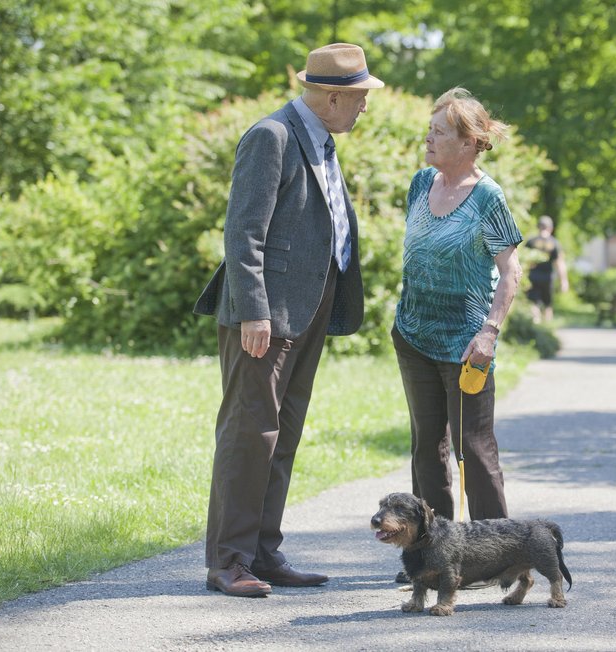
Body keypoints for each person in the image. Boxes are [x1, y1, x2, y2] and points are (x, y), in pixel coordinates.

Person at [192, 43, 383, 597]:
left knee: (283, 433)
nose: (364, 108)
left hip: (308, 306)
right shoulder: (270, 136)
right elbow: (243, 232)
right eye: (359, 98)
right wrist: (254, 310)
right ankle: (228, 561)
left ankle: (263, 554)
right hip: (266, 314)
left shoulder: (320, 139)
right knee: (250, 434)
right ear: (329, 97)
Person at [391, 87, 522, 548]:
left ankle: (499, 551)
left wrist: (489, 332)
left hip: (465, 344)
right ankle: (432, 550)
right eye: (429, 129)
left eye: (439, 132)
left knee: (474, 449)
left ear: (468, 143)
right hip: (412, 334)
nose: (427, 138)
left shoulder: (487, 197)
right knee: (427, 448)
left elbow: (510, 270)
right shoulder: (420, 184)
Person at [524, 215, 569, 322]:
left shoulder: (531, 241)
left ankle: (536, 323)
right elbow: (559, 263)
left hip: (533, 276)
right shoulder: (554, 243)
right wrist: (564, 281)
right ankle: (547, 326)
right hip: (548, 277)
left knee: (534, 302)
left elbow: (524, 260)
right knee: (548, 304)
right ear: (551, 228)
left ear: (538, 226)